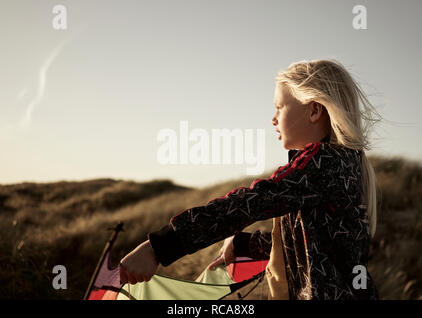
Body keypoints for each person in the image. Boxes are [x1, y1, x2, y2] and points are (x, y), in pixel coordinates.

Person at [119, 59, 381, 300]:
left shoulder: (325, 164)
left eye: (280, 107)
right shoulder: (332, 167)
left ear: (314, 111)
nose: (273, 118)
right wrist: (243, 243)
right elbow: (308, 246)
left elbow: (250, 202)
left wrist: (159, 247)